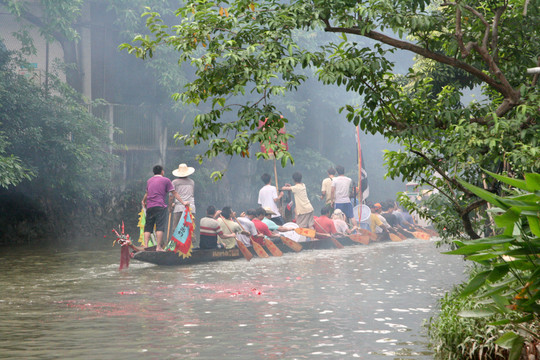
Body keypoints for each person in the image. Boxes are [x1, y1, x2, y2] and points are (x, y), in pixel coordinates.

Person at [142, 165, 190, 251]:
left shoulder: (149, 181)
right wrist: (183, 202)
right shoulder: (166, 180)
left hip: (150, 206)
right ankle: (158, 247)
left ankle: (145, 246)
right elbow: (174, 193)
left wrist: (143, 201)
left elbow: (147, 193)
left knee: (148, 227)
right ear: (162, 171)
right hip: (160, 206)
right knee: (160, 227)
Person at [169, 163, 196, 237]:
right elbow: (191, 194)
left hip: (179, 208)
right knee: (190, 228)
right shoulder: (192, 182)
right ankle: (190, 246)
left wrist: (170, 207)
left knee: (176, 228)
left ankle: (175, 246)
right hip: (190, 207)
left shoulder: (174, 182)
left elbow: (171, 196)